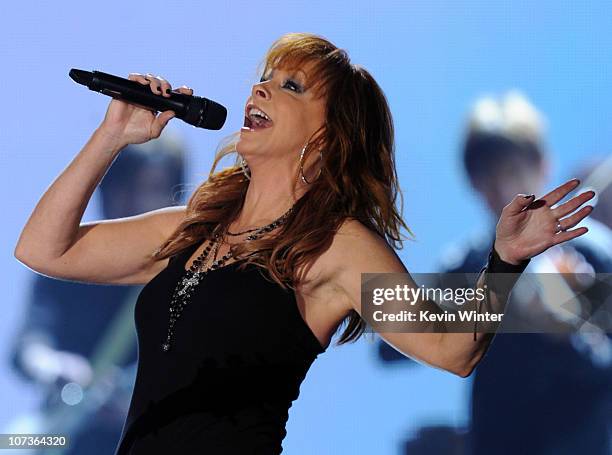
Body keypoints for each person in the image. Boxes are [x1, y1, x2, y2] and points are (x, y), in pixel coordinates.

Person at [13, 33, 596, 454]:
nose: (259, 90)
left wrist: (504, 262)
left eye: (288, 85)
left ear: (326, 135)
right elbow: (44, 249)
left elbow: (452, 349)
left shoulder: (335, 247)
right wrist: (112, 136)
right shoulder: (195, 224)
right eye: (263, 78)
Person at [8, 135, 187, 455]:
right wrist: (54, 367)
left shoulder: (184, 281)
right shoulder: (66, 263)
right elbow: (28, 345)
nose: (138, 202)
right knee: (13, 444)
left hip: (145, 440)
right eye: (128, 188)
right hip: (63, 438)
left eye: (154, 188)